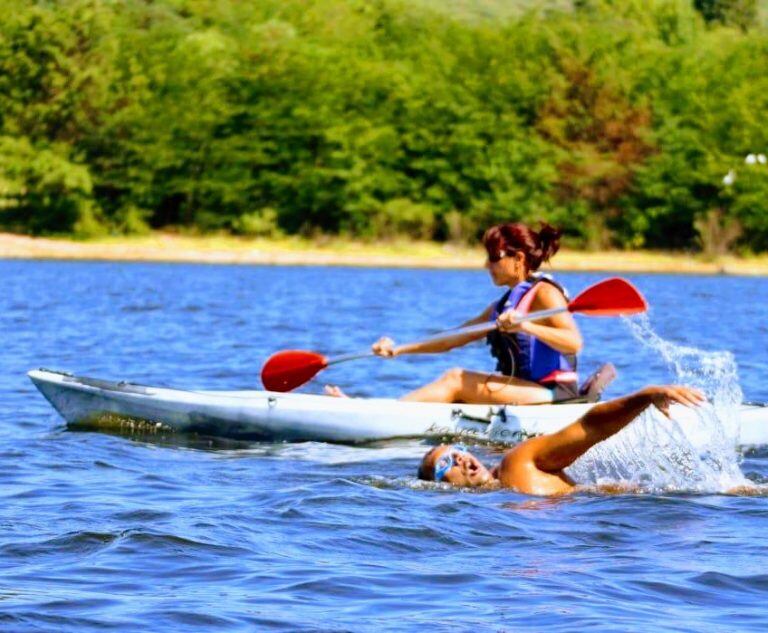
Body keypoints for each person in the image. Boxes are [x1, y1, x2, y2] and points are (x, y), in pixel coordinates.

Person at [327, 221, 583, 404]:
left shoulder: (545, 293)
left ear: (518, 258)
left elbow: (574, 343)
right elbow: (453, 338)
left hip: (555, 392)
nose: (487, 265)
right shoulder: (503, 305)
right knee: (454, 390)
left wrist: (526, 326)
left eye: (494, 257)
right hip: (527, 389)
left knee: (456, 379)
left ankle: (379, 417)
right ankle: (378, 410)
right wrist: (398, 349)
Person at [417, 385, 706, 496]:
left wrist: (646, 396)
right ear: (440, 487)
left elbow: (589, 428)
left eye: (458, 450)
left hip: (659, 505)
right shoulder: (492, 501)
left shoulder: (518, 462)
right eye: (446, 462)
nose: (460, 458)